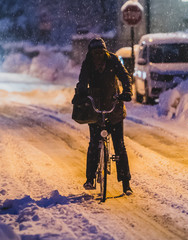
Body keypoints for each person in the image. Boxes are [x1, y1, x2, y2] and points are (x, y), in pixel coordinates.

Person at [72, 37, 133, 195]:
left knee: (119, 145)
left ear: (105, 52)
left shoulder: (113, 60)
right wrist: (82, 92)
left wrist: (127, 91)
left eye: (101, 52)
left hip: (114, 106)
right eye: (95, 53)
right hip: (96, 107)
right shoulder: (88, 63)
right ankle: (90, 179)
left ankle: (126, 184)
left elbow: (125, 77)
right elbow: (83, 80)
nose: (98, 56)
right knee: (94, 144)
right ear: (91, 53)